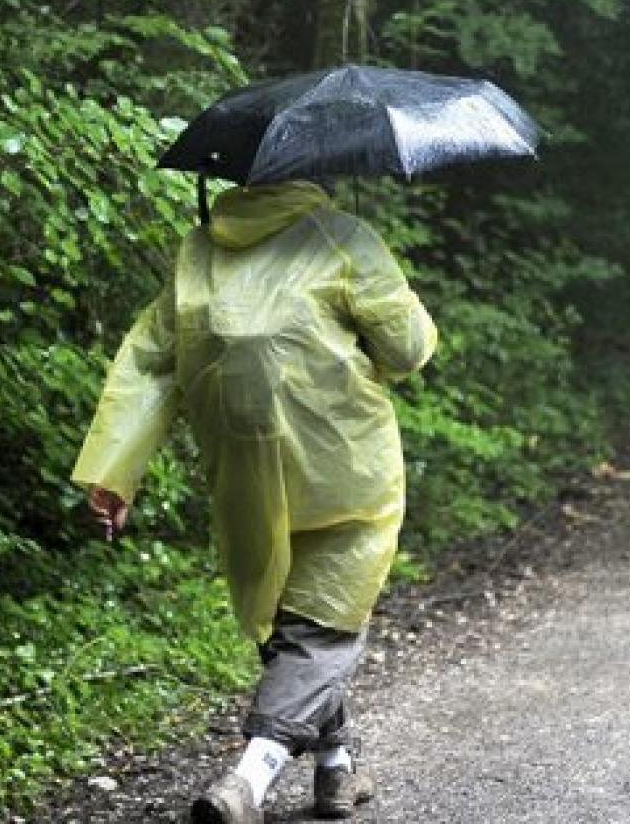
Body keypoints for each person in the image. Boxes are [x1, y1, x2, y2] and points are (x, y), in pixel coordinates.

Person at [72, 178, 438, 824]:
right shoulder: (343, 237)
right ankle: (249, 779)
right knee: (324, 624)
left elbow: (151, 363)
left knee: (294, 615)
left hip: (244, 473)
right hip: (345, 467)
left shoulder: (199, 252)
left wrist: (114, 471)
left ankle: (335, 767)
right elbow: (407, 350)